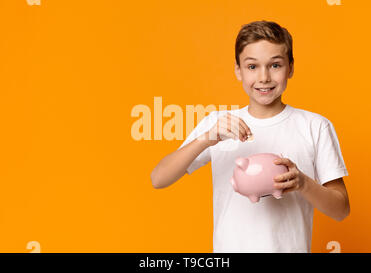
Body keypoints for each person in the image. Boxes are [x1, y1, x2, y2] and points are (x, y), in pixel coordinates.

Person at [150, 20, 350, 253]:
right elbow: (159, 178)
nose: (264, 77)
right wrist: (207, 138)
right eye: (252, 67)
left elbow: (341, 210)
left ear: (291, 68)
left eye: (275, 65)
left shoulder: (315, 126)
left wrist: (303, 183)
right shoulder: (218, 125)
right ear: (238, 70)